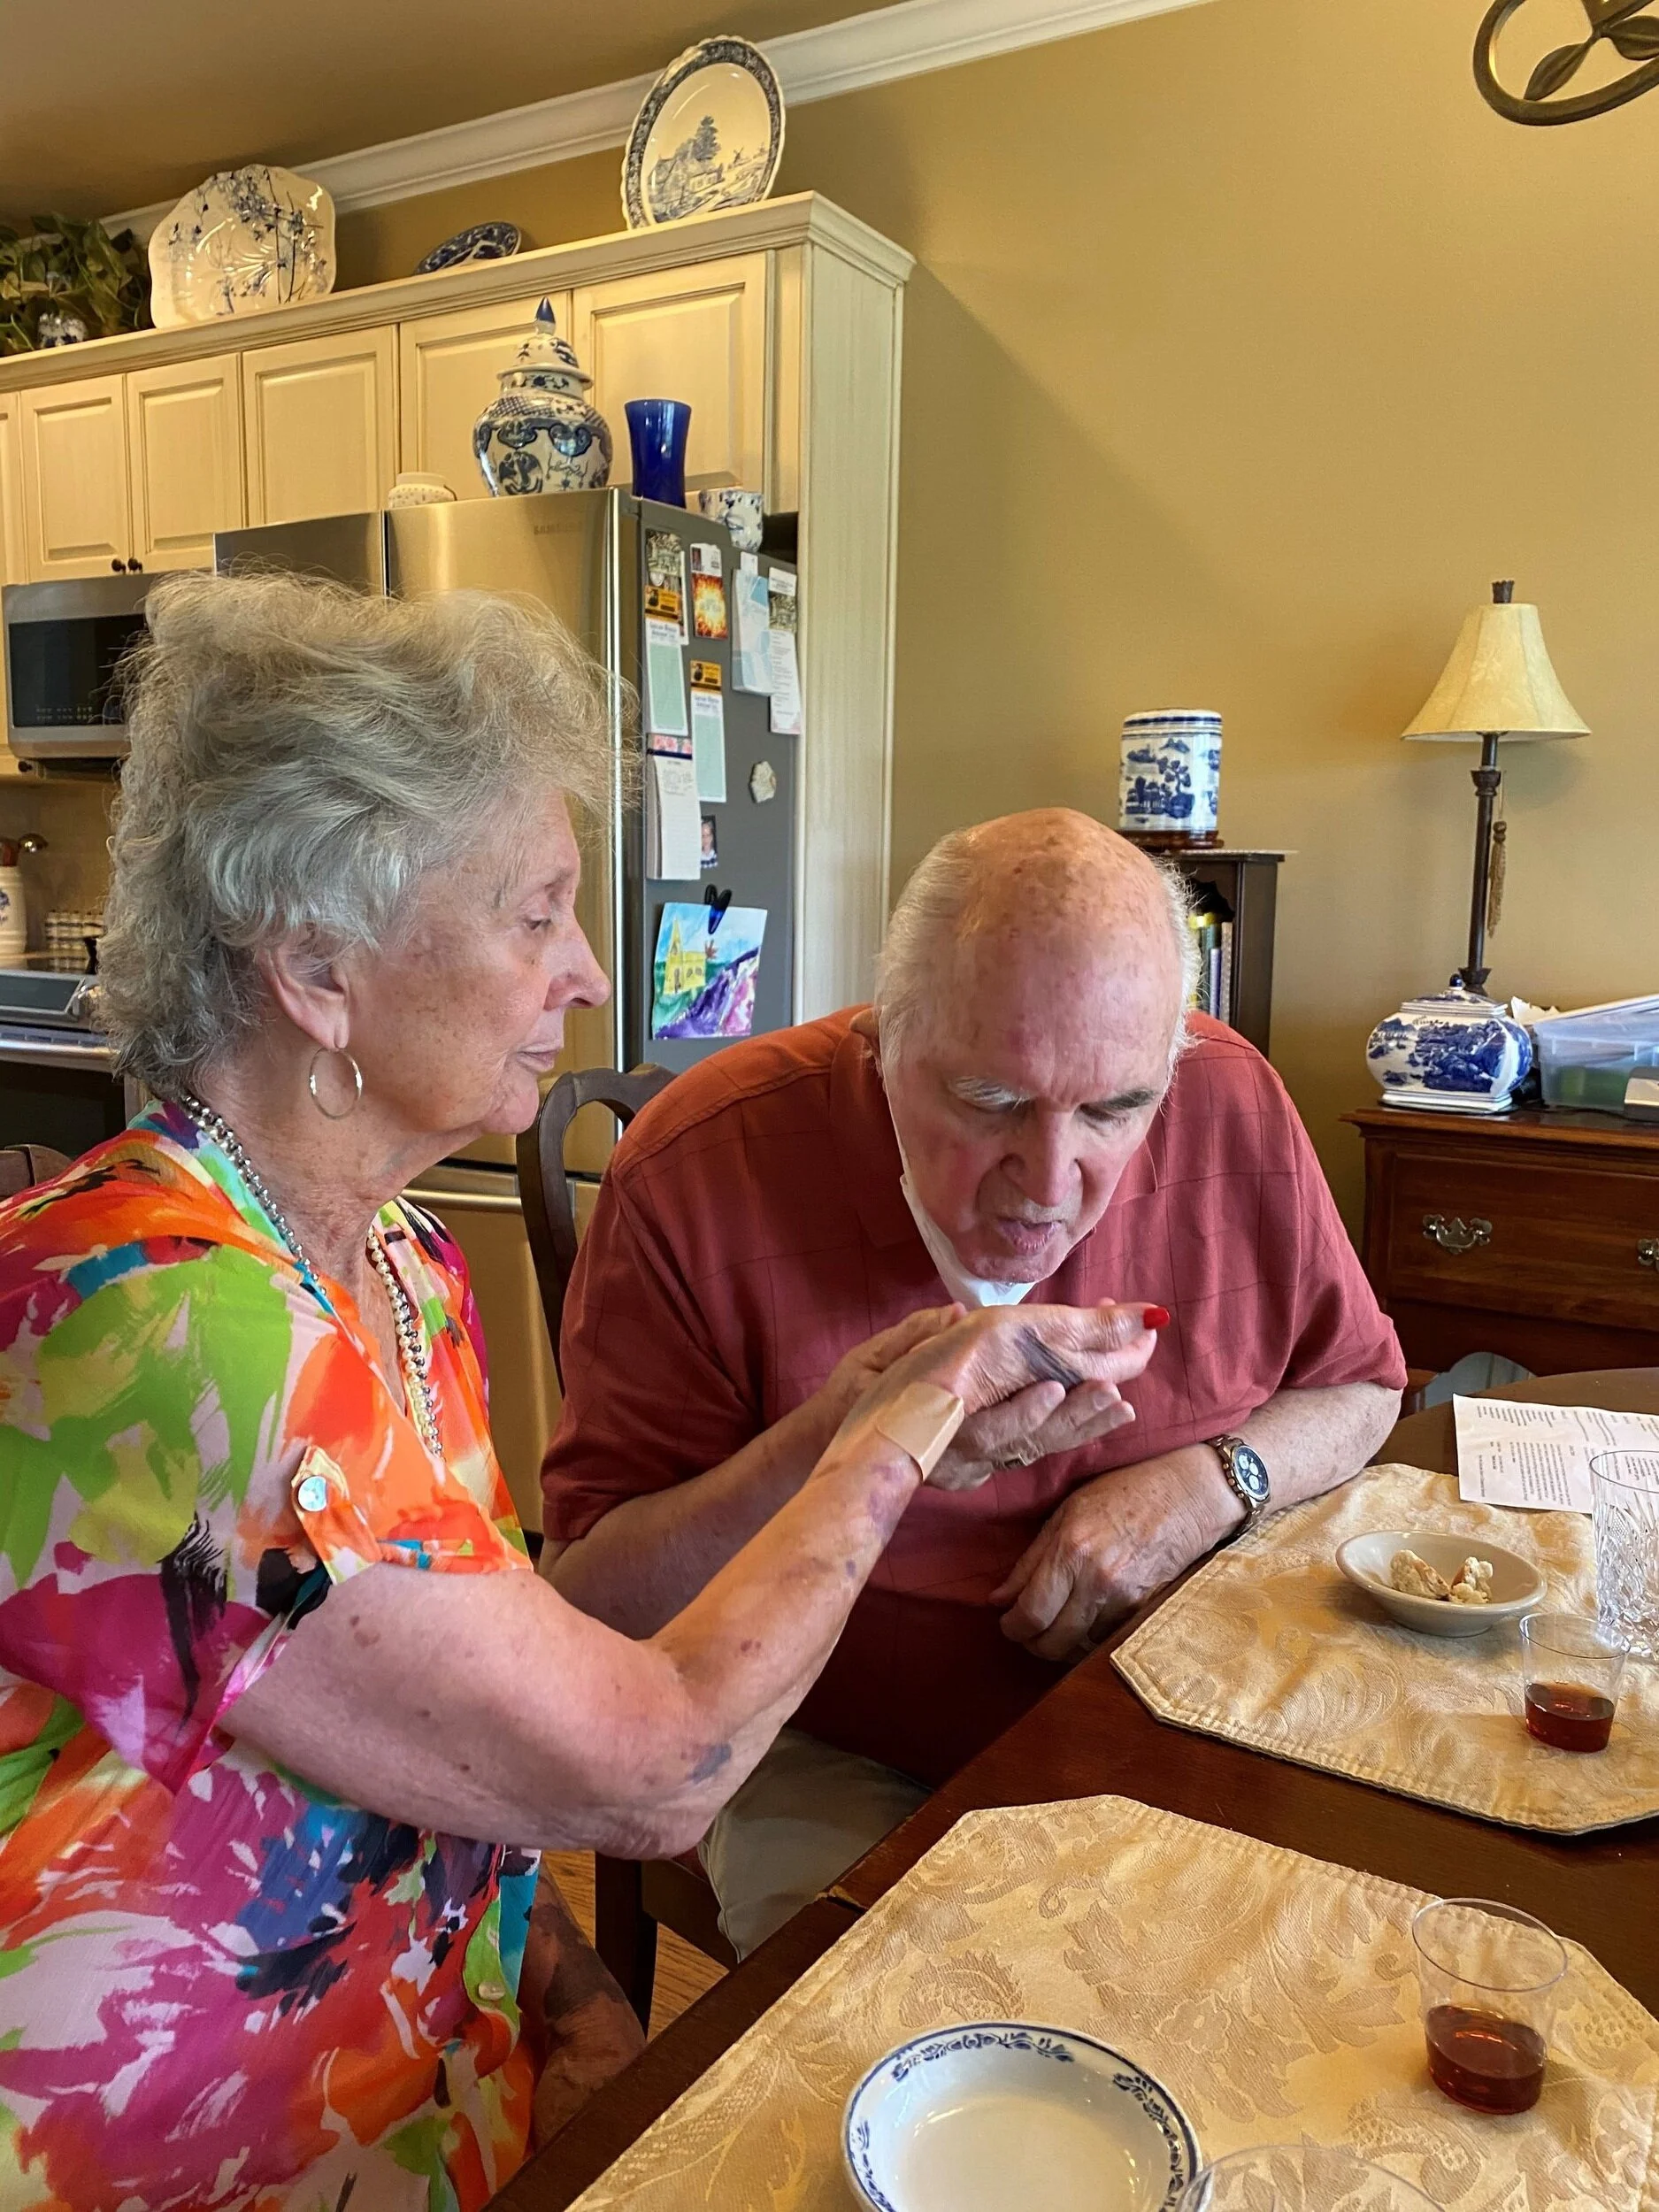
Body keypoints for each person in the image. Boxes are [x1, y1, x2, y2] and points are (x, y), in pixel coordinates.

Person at [0, 589, 1163, 2210]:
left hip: (442, 2086)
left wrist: (567, 1994)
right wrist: (905, 1434)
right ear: (320, 969)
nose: (586, 969)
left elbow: (462, 1705)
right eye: (535, 913)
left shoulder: (402, 1268)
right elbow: (653, 1766)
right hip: (200, 2151)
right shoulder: (148, 1316)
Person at [542, 810, 1407, 1955]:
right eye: (990, 1103)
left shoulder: (1230, 1096)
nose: (1052, 1184)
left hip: (1186, 1711)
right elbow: (593, 1608)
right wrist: (845, 1450)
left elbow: (1362, 1388)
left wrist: (1206, 1484)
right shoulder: (705, 1164)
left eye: (1113, 1110)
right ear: (879, 1040)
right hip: (833, 1732)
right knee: (879, 2055)